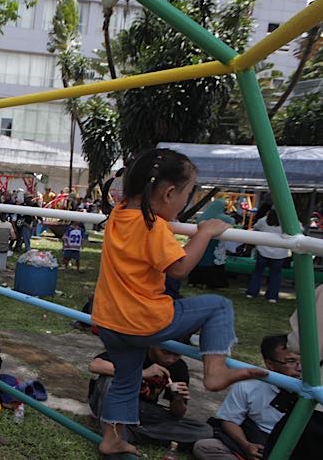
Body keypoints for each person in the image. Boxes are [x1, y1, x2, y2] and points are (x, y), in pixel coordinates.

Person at [90, 148, 266, 457]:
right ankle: (215, 370)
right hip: (143, 320)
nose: (185, 202)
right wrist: (205, 233)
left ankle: (112, 437)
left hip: (109, 321)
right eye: (186, 195)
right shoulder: (152, 226)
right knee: (218, 306)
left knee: (126, 380)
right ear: (170, 192)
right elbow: (180, 268)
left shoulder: (118, 214)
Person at [192, 335, 302, 460]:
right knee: (205, 447)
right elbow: (229, 420)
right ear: (270, 364)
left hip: (297, 447)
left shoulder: (315, 390)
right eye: (290, 362)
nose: (300, 367)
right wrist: (246, 445)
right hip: (257, 441)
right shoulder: (248, 386)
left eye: (304, 360)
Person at [88, 344, 212, 451]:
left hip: (142, 410)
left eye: (177, 355)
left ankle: (126, 434)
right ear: (153, 344)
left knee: (204, 431)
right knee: (110, 381)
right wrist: (142, 373)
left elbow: (177, 414)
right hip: (113, 401)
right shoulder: (134, 351)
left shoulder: (178, 367)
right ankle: (116, 434)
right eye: (165, 352)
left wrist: (178, 399)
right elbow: (95, 365)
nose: (170, 359)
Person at [189, 200, 234, 289]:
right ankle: (212, 283)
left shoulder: (202, 218)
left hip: (200, 241)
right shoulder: (226, 218)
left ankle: (195, 281)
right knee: (213, 262)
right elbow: (231, 223)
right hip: (215, 243)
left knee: (199, 259)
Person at [246, 210, 290, 303]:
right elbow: (300, 229)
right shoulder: (288, 221)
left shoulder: (263, 221)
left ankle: (251, 293)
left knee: (258, 273)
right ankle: (272, 296)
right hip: (280, 253)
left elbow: (256, 229)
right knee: (275, 275)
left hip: (263, 251)